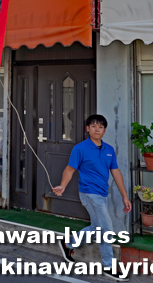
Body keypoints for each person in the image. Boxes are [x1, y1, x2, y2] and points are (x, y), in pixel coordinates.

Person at [54, 114, 131, 281]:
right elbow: (70, 169)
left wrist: (125, 196)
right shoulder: (80, 148)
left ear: (104, 130)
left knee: (97, 227)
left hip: (102, 194)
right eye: (94, 126)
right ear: (87, 128)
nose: (97, 129)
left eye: (101, 127)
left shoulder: (109, 150)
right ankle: (109, 266)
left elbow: (116, 173)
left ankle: (69, 243)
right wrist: (63, 185)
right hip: (89, 193)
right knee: (106, 228)